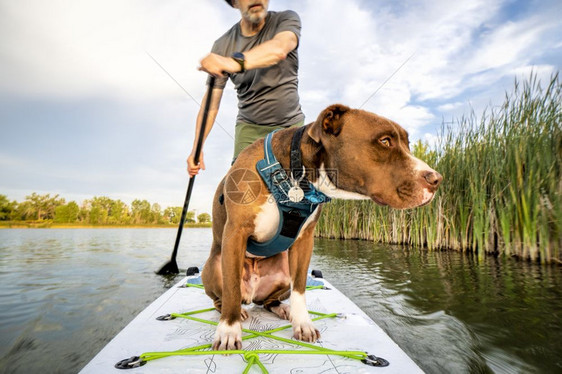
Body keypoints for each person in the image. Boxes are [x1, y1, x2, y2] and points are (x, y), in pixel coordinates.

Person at [187, 0, 304, 176]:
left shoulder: (286, 20)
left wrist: (231, 62)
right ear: (234, 3)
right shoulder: (223, 45)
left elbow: (279, 49)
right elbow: (211, 105)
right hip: (249, 130)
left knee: (302, 191)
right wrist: (197, 148)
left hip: (291, 126)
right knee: (238, 189)